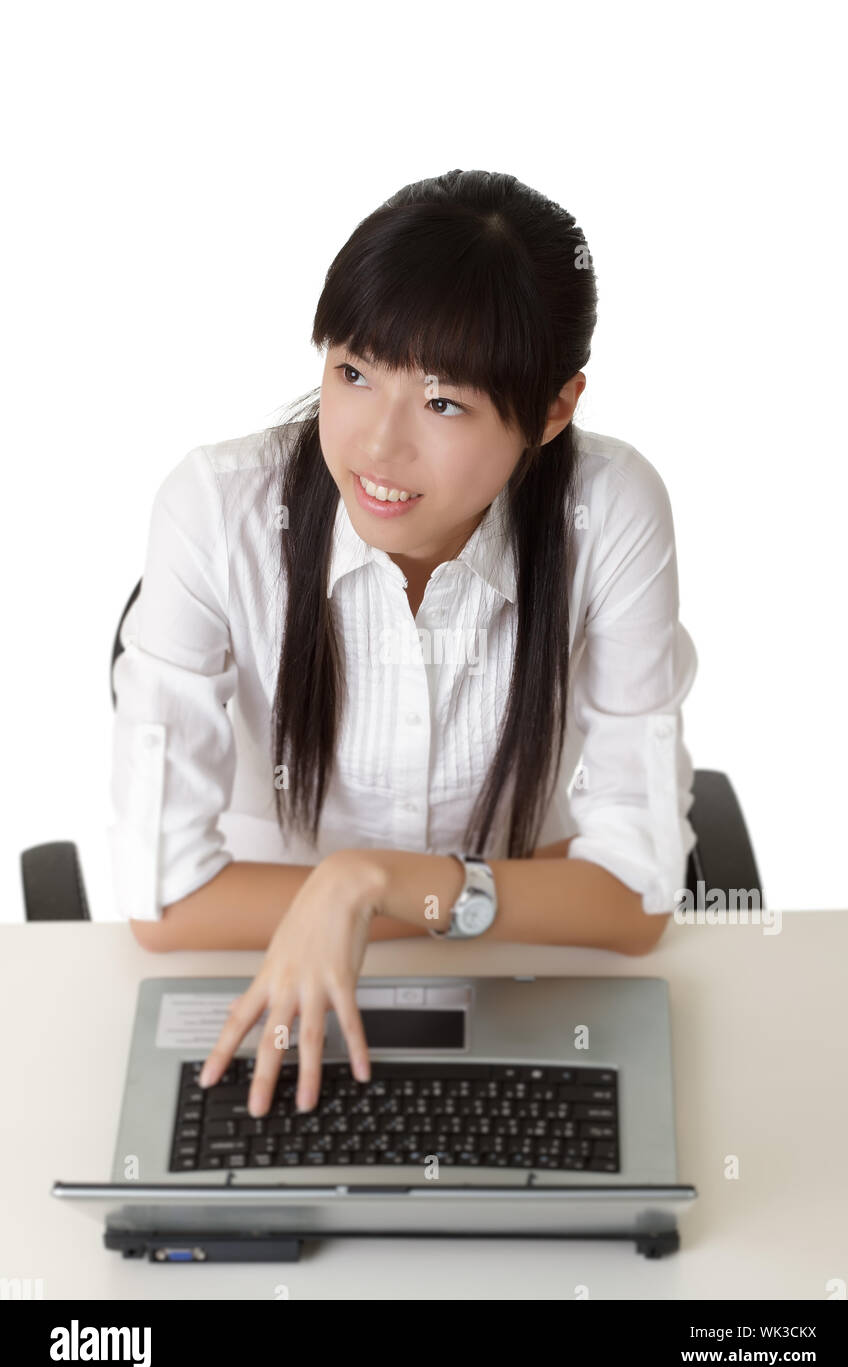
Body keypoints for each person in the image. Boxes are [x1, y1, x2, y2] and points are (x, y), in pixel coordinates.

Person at [108, 169, 698, 1117]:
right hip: (273, 984)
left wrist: (357, 887)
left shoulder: (610, 511)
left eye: (444, 403)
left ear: (553, 409)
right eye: (352, 374)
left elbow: (634, 907)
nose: (376, 448)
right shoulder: (217, 511)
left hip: (529, 992)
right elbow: (168, 907)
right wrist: (484, 899)